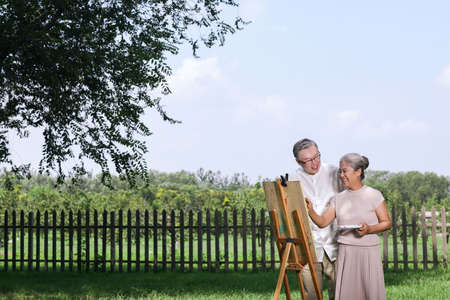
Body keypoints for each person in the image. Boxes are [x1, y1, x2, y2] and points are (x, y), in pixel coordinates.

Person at [305, 153, 392, 300]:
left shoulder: (373, 195)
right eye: (340, 171)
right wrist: (310, 210)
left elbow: (386, 222)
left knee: (370, 292)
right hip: (346, 252)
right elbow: (322, 222)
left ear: (358, 172)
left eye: (345, 171)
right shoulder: (338, 198)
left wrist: (369, 229)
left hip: (368, 253)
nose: (341, 175)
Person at [289, 138, 343, 300]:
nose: (314, 163)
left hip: (335, 242)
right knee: (311, 294)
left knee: (340, 293)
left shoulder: (335, 173)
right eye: (307, 161)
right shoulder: (292, 180)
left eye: (316, 156)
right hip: (308, 245)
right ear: (298, 162)